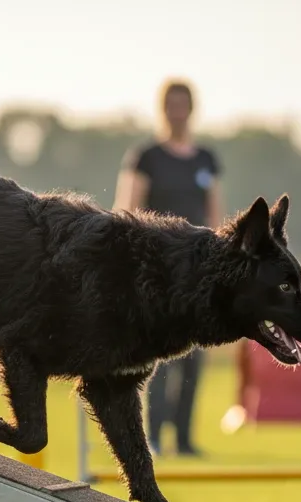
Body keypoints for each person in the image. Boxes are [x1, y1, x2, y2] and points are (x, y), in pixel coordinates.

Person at [113, 78, 223, 457]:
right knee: (156, 359)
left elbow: (215, 218)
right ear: (163, 110)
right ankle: (154, 435)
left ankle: (185, 438)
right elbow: (127, 211)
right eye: (171, 105)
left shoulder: (206, 160)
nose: (178, 112)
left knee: (194, 357)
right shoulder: (146, 157)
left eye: (183, 105)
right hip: (155, 272)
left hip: (196, 275)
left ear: (191, 109)